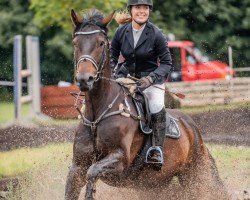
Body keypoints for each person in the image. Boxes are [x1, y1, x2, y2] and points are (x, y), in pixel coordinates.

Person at [110, 0, 172, 167]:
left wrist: (151, 78)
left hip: (150, 80)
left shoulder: (156, 34)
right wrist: (113, 72)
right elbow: (111, 56)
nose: (142, 11)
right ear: (131, 10)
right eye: (138, 7)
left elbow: (167, 63)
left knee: (156, 105)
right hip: (125, 77)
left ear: (149, 11)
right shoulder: (121, 32)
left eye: (145, 8)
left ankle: (157, 150)